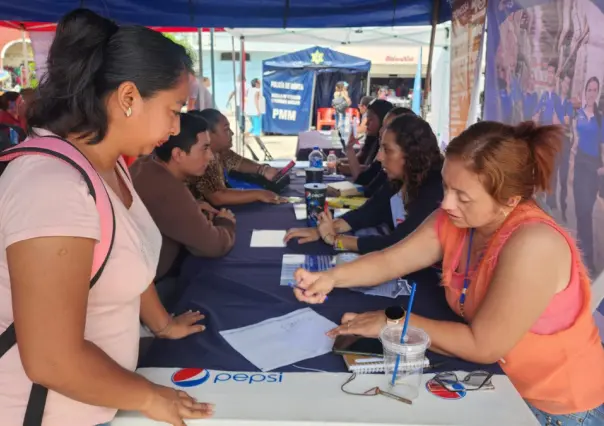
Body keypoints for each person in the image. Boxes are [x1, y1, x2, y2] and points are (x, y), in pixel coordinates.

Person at [292, 120, 604, 426]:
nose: (447, 202)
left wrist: (395, 323)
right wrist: (330, 277)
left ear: (508, 200)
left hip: (554, 409)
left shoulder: (534, 245)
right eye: (445, 186)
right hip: (498, 386)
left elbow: (483, 345)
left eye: (463, 196)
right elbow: (390, 261)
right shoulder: (457, 219)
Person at [0, 9, 214, 426]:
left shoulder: (107, 165)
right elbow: (51, 360)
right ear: (129, 97)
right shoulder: (52, 186)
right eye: (173, 109)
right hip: (42, 413)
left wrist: (163, 324)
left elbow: (126, 259)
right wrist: (150, 398)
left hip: (97, 405)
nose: (175, 128)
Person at [285, 114, 443, 254]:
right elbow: (368, 212)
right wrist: (323, 230)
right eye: (380, 148)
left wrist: (335, 239)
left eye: (387, 150)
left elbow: (399, 244)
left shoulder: (434, 190)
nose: (379, 157)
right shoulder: (399, 181)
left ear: (412, 153)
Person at [130, 112, 236, 285]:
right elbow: (214, 246)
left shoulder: (146, 165)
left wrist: (192, 205)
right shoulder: (166, 188)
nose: (210, 156)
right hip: (152, 289)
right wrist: (226, 223)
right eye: (204, 148)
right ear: (178, 154)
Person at [188, 109, 286, 206]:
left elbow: (238, 162)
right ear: (209, 134)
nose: (232, 133)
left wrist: (263, 170)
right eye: (226, 129)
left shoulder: (220, 151)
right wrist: (259, 194)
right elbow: (217, 197)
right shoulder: (203, 159)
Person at [572, 76, 603, 275]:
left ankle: (587, 259)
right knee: (580, 212)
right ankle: (584, 256)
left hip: (594, 168)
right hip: (579, 167)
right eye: (589, 89)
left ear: (597, 92)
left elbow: (602, 146)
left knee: (586, 212)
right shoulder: (578, 115)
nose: (591, 93)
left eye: (594, 90)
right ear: (585, 92)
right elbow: (576, 142)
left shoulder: (601, 118)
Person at [339, 99, 393, 180]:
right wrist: (338, 161)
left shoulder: (385, 144)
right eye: (367, 118)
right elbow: (359, 158)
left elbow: (368, 171)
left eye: (371, 119)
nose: (367, 123)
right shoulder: (372, 139)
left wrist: (342, 166)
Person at [548, 70, 574, 219]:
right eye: (566, 82)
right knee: (553, 175)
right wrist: (561, 120)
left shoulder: (569, 103)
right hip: (555, 140)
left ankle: (563, 208)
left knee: (563, 177)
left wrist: (561, 120)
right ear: (562, 83)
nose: (567, 85)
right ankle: (551, 204)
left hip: (565, 143)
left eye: (569, 84)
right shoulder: (555, 100)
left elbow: (567, 121)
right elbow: (554, 121)